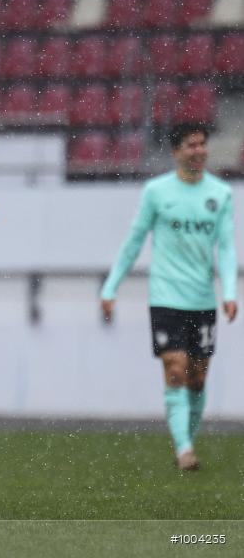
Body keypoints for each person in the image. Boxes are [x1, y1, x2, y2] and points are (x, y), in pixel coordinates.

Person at [100, 122, 237, 471]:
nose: (199, 150)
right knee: (176, 370)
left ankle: (186, 438)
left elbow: (226, 248)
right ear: (176, 152)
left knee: (197, 377)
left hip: (202, 300)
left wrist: (230, 292)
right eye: (191, 144)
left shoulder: (220, 194)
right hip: (165, 298)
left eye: (202, 144)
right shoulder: (157, 192)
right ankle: (184, 450)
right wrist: (110, 287)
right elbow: (134, 241)